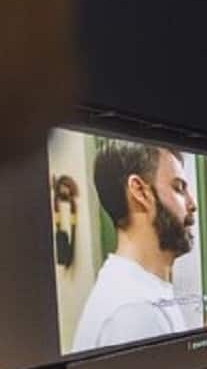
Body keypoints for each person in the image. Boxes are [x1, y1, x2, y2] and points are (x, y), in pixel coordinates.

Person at [70, 141, 199, 352]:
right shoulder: (134, 312)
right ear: (140, 191)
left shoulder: (139, 291)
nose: (192, 204)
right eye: (178, 188)